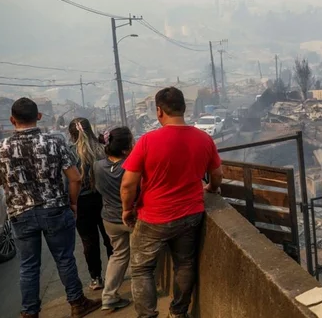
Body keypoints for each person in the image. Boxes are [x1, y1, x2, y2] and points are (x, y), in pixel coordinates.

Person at [121, 87, 224, 318]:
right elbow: (217, 175)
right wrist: (211, 188)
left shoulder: (147, 141)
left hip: (153, 217)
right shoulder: (204, 139)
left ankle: (147, 315)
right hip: (190, 216)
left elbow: (128, 184)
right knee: (185, 264)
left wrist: (127, 210)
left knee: (141, 268)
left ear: (159, 111)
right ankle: (178, 312)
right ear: (184, 109)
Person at [0, 98, 101, 318]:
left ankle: (30, 312)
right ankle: (77, 303)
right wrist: (73, 203)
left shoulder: (0, 148)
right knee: (64, 258)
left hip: (20, 213)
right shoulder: (54, 142)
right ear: (39, 117)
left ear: (12, 120)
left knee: (28, 265)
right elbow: (75, 178)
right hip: (55, 208)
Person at [68, 118, 113, 290]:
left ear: (72, 134)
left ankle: (96, 278)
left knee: (89, 242)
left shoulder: (69, 152)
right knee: (109, 238)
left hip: (81, 202)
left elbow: (71, 180)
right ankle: (113, 274)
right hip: (104, 199)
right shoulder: (102, 149)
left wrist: (72, 203)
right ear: (91, 130)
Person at [93, 126, 134, 311]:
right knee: (140, 259)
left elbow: (98, 189)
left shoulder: (97, 166)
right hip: (132, 217)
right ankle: (142, 298)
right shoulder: (131, 167)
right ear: (125, 149)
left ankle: (109, 296)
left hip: (109, 218)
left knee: (118, 255)